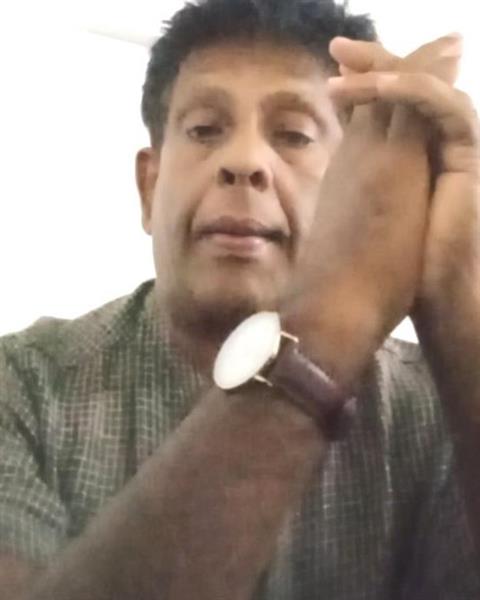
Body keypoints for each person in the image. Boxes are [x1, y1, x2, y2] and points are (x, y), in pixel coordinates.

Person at [1, 0, 479, 597]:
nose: (245, 161)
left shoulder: (432, 408)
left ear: (356, 186)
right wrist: (333, 322)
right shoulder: (20, 386)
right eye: (205, 130)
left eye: (294, 135)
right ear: (149, 187)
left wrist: (461, 311)